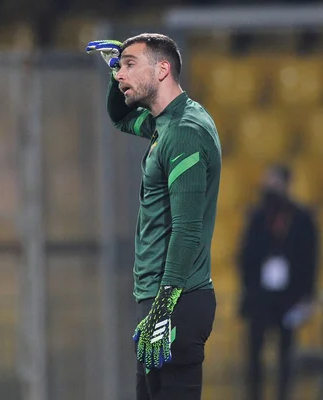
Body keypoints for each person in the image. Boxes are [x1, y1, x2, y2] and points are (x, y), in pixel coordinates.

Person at [86, 34, 221, 400]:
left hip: (176, 300)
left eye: (129, 65)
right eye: (118, 67)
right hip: (161, 300)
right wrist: (117, 69)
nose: (118, 75)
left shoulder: (185, 132)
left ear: (162, 69)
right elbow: (118, 117)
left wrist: (164, 306)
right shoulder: (165, 123)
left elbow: (188, 230)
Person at [237, 164, 319, 400]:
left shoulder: (302, 218)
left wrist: (307, 296)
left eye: (272, 181)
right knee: (254, 356)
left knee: (286, 355)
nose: (268, 186)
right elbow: (244, 255)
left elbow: (310, 258)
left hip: (288, 297)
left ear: (285, 183)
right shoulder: (256, 216)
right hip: (259, 296)